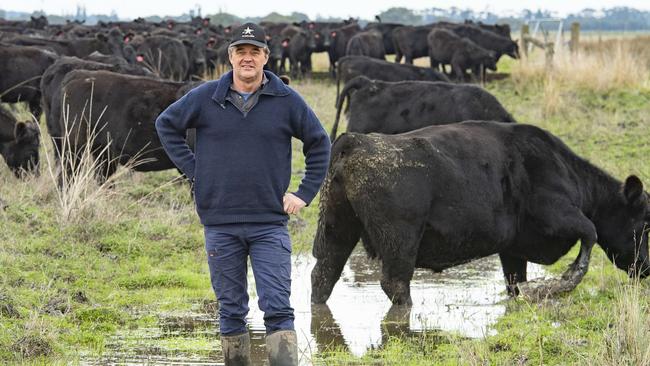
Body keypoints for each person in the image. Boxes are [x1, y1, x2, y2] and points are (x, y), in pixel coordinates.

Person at [155, 22, 330, 366]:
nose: (247, 58)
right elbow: (166, 124)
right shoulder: (206, 97)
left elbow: (319, 142)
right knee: (231, 310)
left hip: (269, 223)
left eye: (254, 52)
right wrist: (196, 171)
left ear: (266, 56)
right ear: (230, 56)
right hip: (220, 222)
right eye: (240, 52)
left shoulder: (286, 99)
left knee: (278, 307)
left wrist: (304, 193)